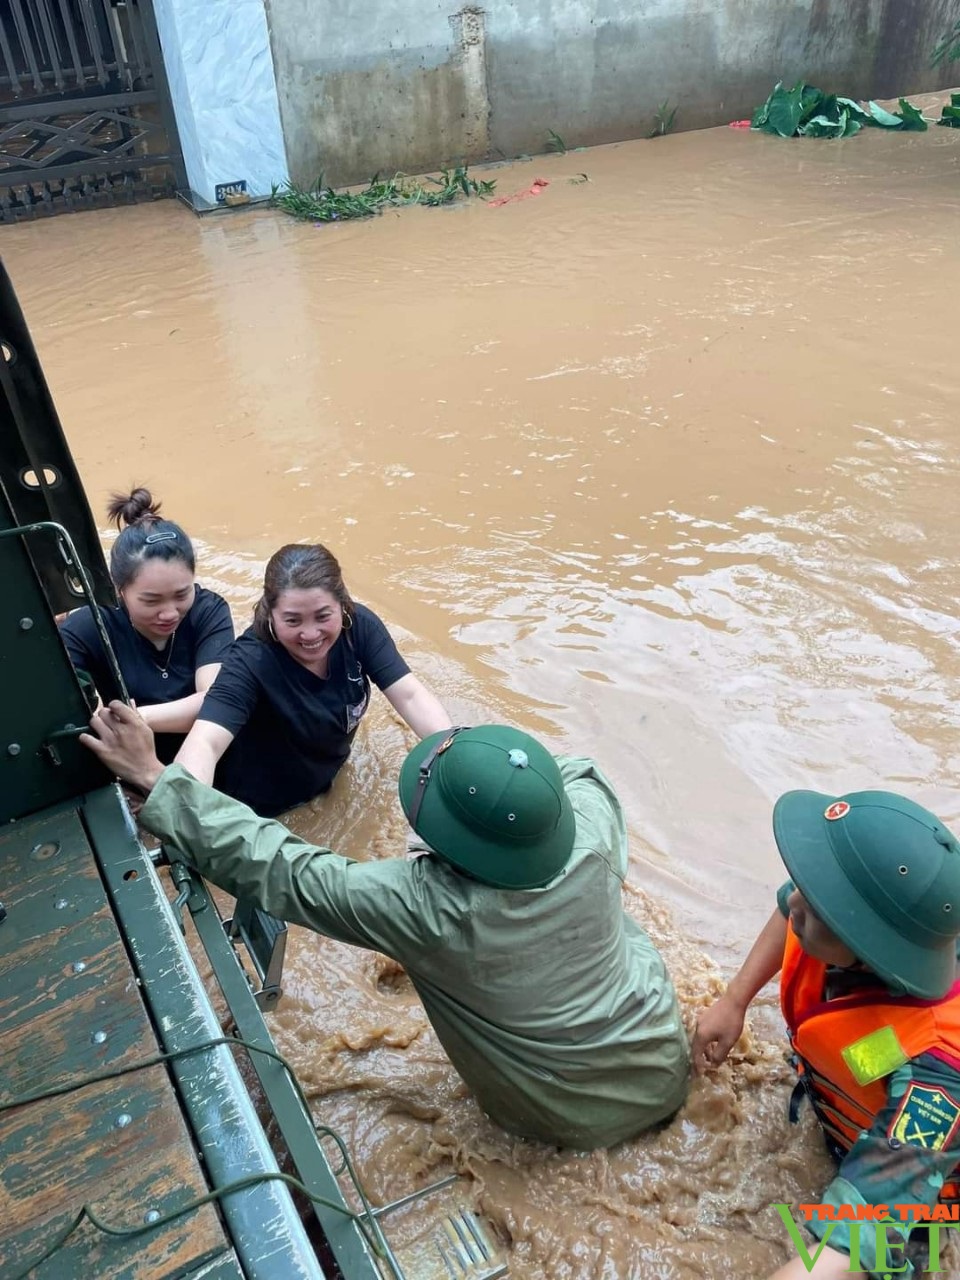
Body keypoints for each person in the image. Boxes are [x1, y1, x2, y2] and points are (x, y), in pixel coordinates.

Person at [81, 704, 691, 1149]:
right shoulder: (592, 821)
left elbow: (284, 867)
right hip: (666, 1060)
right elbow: (576, 772)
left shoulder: (426, 908)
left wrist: (158, 779)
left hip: (561, 1118)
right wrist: (501, 779)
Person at [692, 789, 960, 1280]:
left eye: (815, 909)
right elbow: (790, 907)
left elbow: (855, 1242)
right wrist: (735, 999)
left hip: (920, 1183)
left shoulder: (938, 1081)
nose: (792, 900)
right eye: (807, 891)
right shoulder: (846, 912)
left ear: (868, 948)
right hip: (847, 1098)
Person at [175, 542, 452, 817]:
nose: (310, 635)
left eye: (323, 616)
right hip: (258, 811)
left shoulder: (360, 629)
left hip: (329, 780)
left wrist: (452, 751)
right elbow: (206, 741)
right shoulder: (250, 660)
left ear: (342, 605)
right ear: (269, 613)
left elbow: (409, 696)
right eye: (293, 621)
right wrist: (188, 817)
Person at [59, 487, 234, 763]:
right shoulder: (89, 627)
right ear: (119, 589)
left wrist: (135, 720)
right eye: (151, 601)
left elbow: (218, 703)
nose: (169, 613)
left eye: (181, 594)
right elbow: (63, 712)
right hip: (129, 767)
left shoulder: (208, 610)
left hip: (206, 755)